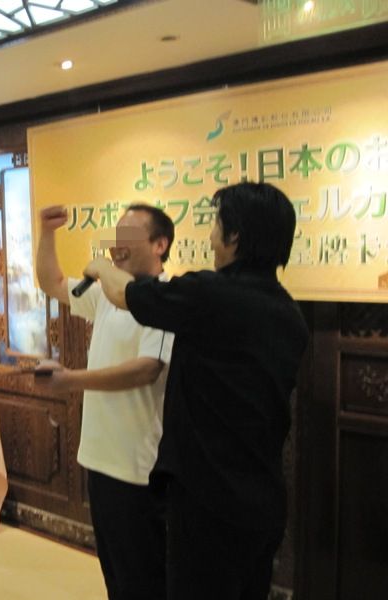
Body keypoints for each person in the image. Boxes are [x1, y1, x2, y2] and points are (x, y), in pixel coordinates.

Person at [82, 182, 309, 600]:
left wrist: (100, 266)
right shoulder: (289, 314)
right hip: (263, 499)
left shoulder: (211, 295)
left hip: (208, 500)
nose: (211, 237)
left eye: (216, 225)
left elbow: (123, 293)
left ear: (234, 236)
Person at [36, 204, 174, 600]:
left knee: (143, 578)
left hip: (137, 467)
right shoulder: (107, 295)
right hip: (98, 458)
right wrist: (48, 232)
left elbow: (146, 369)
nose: (118, 245)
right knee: (115, 572)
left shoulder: (165, 299)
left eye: (129, 237)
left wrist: (70, 380)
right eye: (116, 236)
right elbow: (52, 282)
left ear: (160, 245)